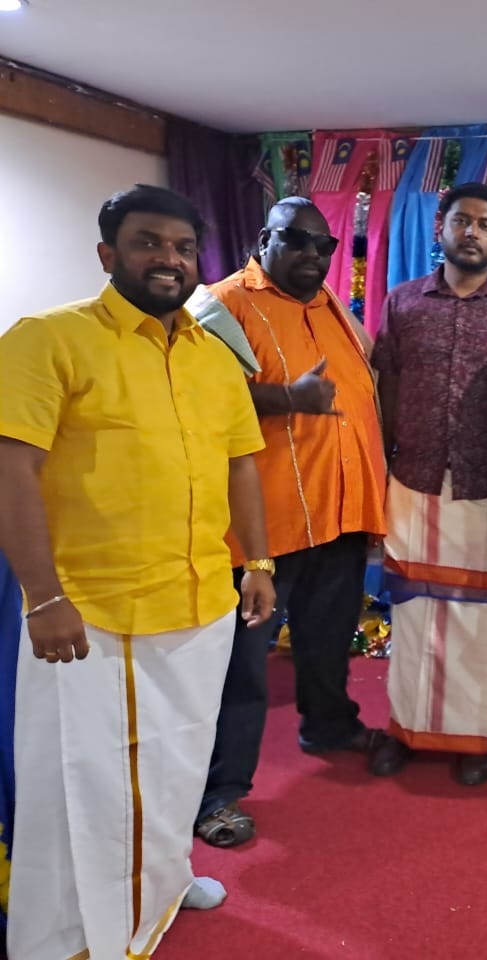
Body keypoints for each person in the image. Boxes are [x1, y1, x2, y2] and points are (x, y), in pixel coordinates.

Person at [0, 185, 275, 959]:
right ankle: (65, 937)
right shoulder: (47, 339)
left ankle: (158, 877)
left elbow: (242, 466)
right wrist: (42, 595)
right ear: (107, 254)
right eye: (151, 243)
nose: (170, 260)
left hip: (197, 600)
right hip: (92, 610)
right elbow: (12, 469)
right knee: (80, 782)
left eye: (184, 248)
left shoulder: (213, 357)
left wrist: (256, 560)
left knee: (178, 761)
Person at [198, 197, 387, 848]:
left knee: (328, 639)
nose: (311, 255)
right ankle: (219, 794)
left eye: (322, 245)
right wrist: (288, 400)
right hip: (261, 531)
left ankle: (329, 725)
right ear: (263, 239)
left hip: (336, 517)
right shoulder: (221, 304)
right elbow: (195, 392)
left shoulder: (330, 303)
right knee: (243, 668)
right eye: (295, 241)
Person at [368, 182, 487, 784]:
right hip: (413, 480)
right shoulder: (403, 303)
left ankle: (484, 736)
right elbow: (384, 388)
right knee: (415, 617)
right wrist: (382, 470)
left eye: (486, 224)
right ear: (441, 228)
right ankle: (407, 728)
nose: (473, 232)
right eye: (462, 221)